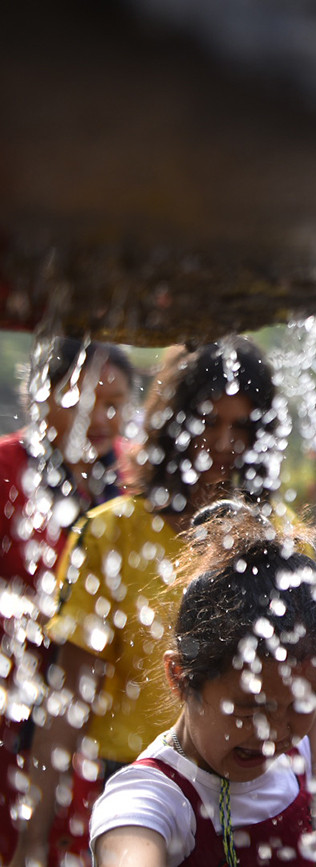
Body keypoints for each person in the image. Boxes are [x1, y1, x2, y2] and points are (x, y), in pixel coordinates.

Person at [13, 337, 316, 867]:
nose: (223, 443)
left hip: (256, 777)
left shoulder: (279, 538)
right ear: (173, 423)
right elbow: (69, 696)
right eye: (210, 423)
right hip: (136, 782)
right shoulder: (112, 533)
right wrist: (34, 833)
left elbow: (298, 679)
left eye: (242, 427)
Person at [88, 500, 316, 867]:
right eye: (250, 708)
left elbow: (301, 853)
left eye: (301, 704)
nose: (273, 734)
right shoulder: (153, 799)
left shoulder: (288, 755)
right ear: (180, 677)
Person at [1, 338, 135, 865]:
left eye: (114, 403)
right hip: (19, 697)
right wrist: (23, 608)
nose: (100, 418)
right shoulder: (8, 467)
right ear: (42, 397)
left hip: (104, 705)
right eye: (82, 402)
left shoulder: (135, 477)